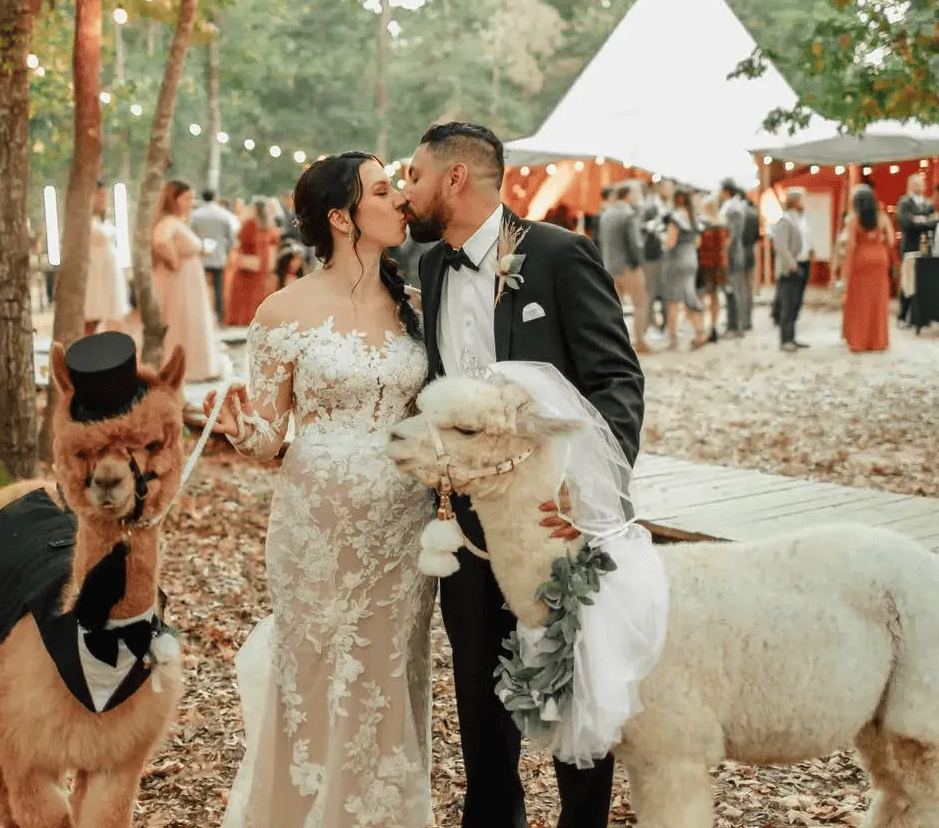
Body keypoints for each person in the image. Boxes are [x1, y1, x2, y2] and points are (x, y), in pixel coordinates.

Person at [403, 121, 644, 828]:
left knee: (572, 679)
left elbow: (616, 378)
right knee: (477, 685)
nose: (406, 190)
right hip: (468, 518)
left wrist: (588, 489)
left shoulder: (558, 256)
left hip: (553, 517)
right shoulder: (430, 268)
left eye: (414, 175)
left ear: (454, 179)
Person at [208, 152, 438, 828]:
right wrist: (243, 432)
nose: (399, 198)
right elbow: (271, 439)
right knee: (312, 672)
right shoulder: (284, 312)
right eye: (381, 189)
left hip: (401, 528)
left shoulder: (413, 303)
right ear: (341, 217)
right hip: (315, 523)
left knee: (388, 675)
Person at [151, 180, 222, 382]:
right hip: (180, 283)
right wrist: (173, 260)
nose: (191, 202)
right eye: (187, 198)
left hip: (188, 281)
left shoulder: (178, 222)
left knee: (190, 320)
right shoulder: (170, 222)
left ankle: (193, 363)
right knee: (182, 320)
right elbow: (160, 241)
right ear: (174, 200)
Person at [842, 184, 893, 353]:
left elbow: (851, 245)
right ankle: (878, 341)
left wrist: (844, 269)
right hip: (880, 258)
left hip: (861, 260)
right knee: (878, 302)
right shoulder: (882, 217)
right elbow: (891, 241)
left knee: (860, 302)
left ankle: (859, 341)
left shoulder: (853, 219)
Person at [599, 183, 648, 353]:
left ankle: (616, 344)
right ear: (628, 195)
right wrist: (640, 264)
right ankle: (640, 341)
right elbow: (635, 243)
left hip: (610, 265)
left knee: (615, 308)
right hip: (628, 266)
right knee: (640, 303)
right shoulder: (629, 214)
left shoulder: (606, 214)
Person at [660, 188, 708, 350]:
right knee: (690, 295)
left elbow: (670, 242)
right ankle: (700, 332)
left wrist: (662, 241)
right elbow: (698, 243)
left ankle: (673, 338)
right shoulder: (694, 217)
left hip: (676, 260)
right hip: (691, 258)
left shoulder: (675, 217)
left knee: (673, 299)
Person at [83, 179, 129, 335]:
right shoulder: (85, 220)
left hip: (109, 269)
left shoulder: (104, 219)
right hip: (94, 270)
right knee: (91, 317)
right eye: (99, 195)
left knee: (113, 317)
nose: (102, 199)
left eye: (104, 195)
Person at [895, 173, 939, 326]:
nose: (921, 187)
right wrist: (925, 221)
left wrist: (920, 220)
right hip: (910, 247)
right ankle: (902, 316)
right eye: (918, 184)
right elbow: (907, 223)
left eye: (922, 184)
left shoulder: (928, 203)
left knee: (924, 282)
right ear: (911, 186)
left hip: (926, 247)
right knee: (907, 282)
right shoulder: (904, 202)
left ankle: (921, 317)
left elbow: (937, 221)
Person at [229, 196, 279, 327]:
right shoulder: (270, 225)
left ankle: (242, 321)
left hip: (247, 263)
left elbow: (240, 240)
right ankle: (255, 320)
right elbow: (274, 245)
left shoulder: (250, 223)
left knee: (244, 294)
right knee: (258, 292)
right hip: (263, 263)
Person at [189, 189, 237, 325]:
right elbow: (231, 238)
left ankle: (200, 316)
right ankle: (220, 317)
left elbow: (191, 236)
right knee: (218, 288)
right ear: (215, 197)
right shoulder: (224, 215)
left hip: (201, 257)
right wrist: (225, 252)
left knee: (200, 288)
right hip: (219, 257)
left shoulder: (195, 215)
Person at [771, 188, 806, 353]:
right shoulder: (785, 221)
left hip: (796, 265)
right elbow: (781, 245)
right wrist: (791, 263)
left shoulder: (796, 219)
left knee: (794, 304)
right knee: (787, 304)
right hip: (788, 269)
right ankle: (785, 339)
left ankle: (791, 337)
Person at [719, 179, 749, 335]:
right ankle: (733, 324)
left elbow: (732, 235)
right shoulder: (732, 207)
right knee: (730, 290)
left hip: (731, 255)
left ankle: (736, 326)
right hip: (730, 254)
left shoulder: (734, 209)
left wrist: (724, 251)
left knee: (734, 291)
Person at [696, 197, 729, 343]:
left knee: (702, 296)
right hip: (720, 263)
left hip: (705, 263)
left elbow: (698, 244)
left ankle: (702, 329)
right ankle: (713, 327)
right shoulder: (723, 223)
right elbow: (727, 243)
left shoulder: (703, 224)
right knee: (715, 297)